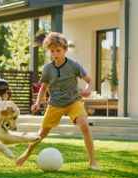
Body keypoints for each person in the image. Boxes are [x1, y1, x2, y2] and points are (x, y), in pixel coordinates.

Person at [15, 32, 100, 169]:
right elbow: (43, 88)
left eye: (58, 50)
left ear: (65, 49)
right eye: (52, 51)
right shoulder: (47, 69)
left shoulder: (74, 65)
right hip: (55, 103)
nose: (55, 54)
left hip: (73, 101)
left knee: (84, 124)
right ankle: (27, 153)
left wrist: (88, 89)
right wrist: (37, 103)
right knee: (41, 133)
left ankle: (92, 162)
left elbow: (89, 81)